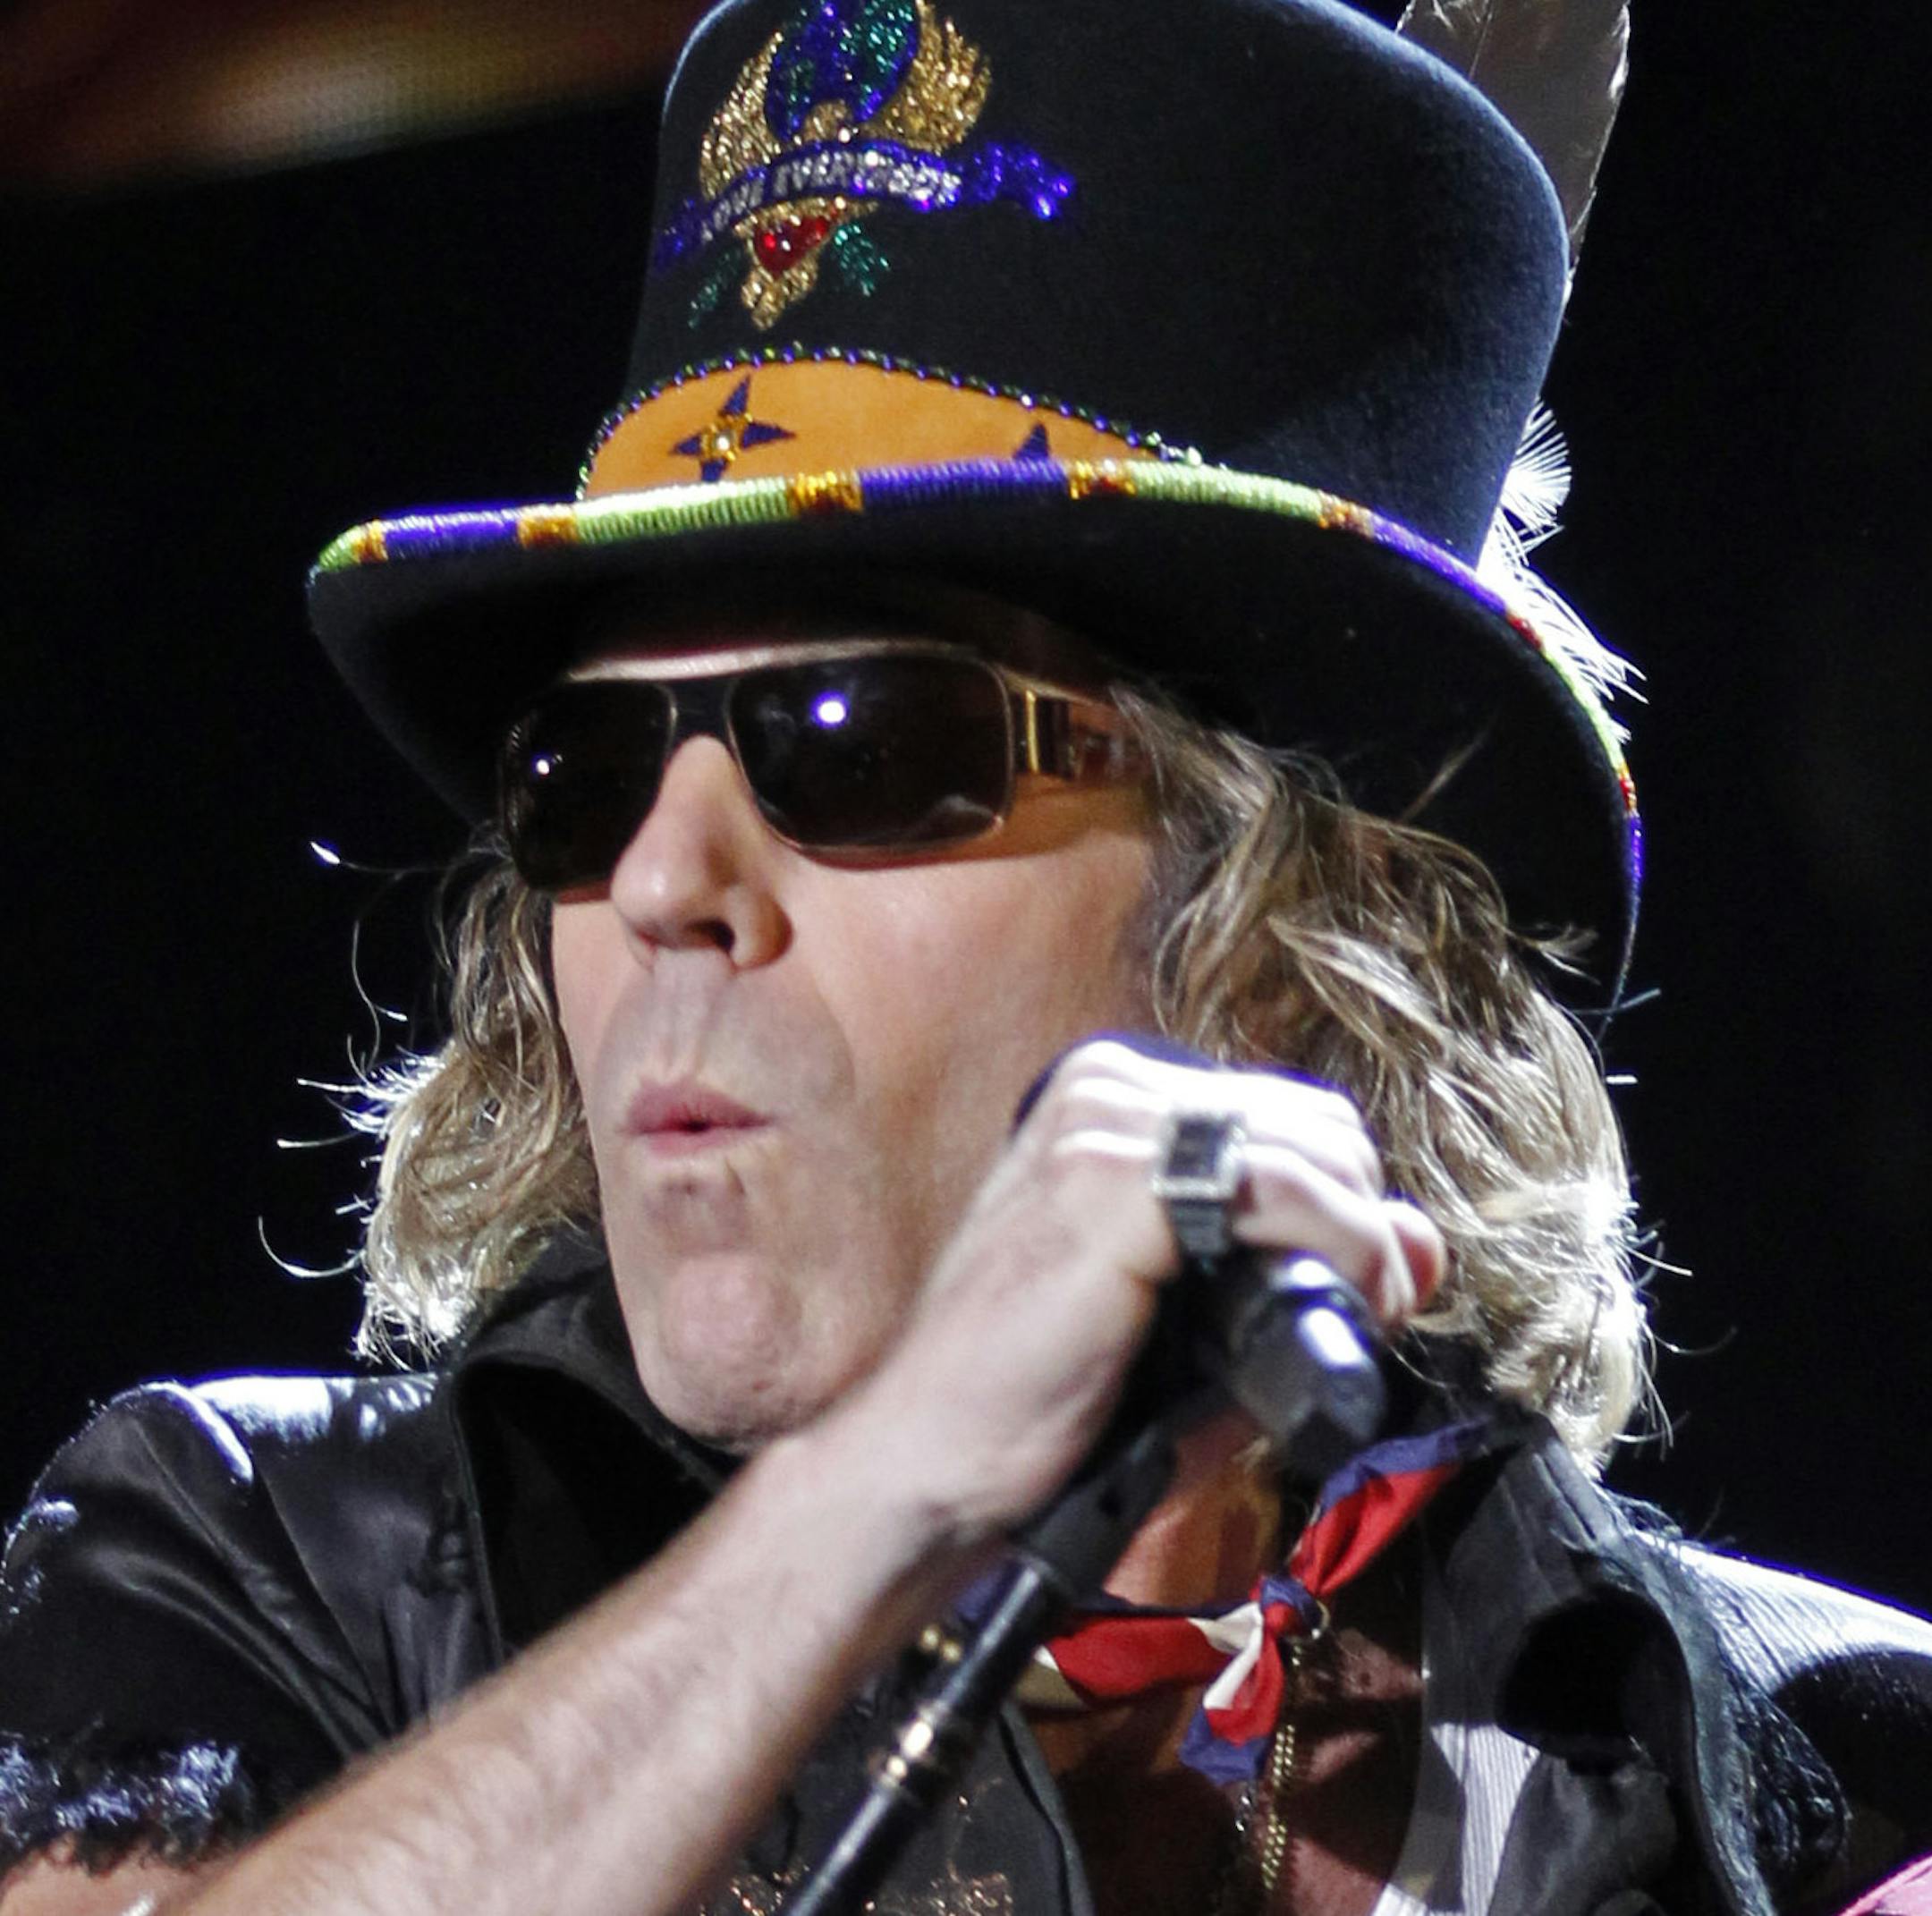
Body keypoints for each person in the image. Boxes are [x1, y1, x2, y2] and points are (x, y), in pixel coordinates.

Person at [6, 0, 1932, 1912]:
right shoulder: (263, 1562)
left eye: (861, 743)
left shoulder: (1804, 1783)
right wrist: (883, 1499)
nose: (665, 877)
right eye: (581, 771)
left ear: (1285, 940)